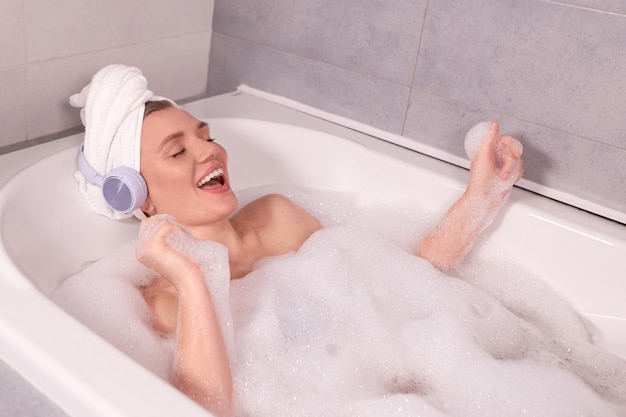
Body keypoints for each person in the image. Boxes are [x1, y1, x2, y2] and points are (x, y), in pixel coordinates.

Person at [72, 66, 523, 416]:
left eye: (206, 136)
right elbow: (209, 408)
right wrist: (193, 280)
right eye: (178, 151)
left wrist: (480, 197)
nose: (210, 150)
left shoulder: (277, 218)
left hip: (428, 386)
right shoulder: (164, 304)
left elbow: (407, 277)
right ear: (138, 195)